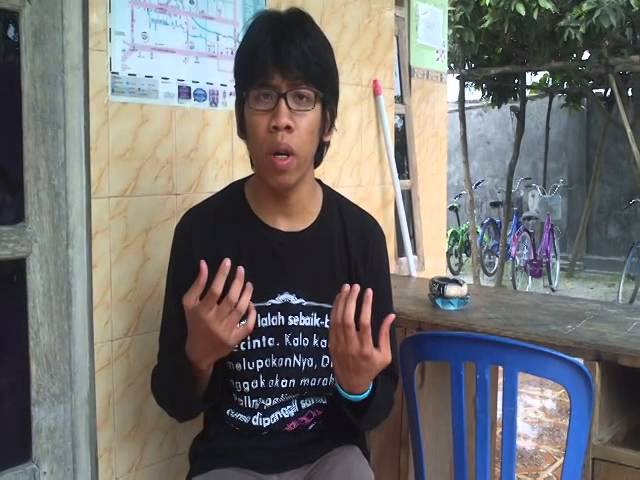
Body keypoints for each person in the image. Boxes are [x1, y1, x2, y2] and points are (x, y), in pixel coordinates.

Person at [151, 7, 397, 480]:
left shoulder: (361, 237)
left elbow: (380, 402)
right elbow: (173, 400)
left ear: (327, 122)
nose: (281, 119)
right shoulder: (201, 233)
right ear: (242, 119)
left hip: (329, 455)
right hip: (231, 460)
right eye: (264, 96)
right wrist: (198, 357)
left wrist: (357, 385)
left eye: (301, 98)